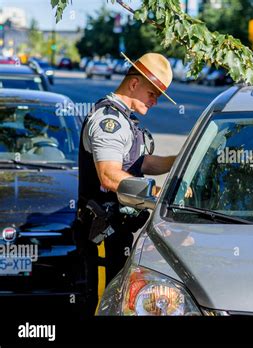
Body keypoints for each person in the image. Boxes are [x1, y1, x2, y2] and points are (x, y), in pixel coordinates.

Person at [74, 52, 180, 315]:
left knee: (116, 300)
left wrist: (180, 161)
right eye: (152, 93)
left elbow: (140, 163)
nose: (154, 101)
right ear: (134, 84)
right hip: (100, 234)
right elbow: (109, 175)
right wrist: (158, 192)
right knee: (100, 302)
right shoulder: (109, 121)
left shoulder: (126, 121)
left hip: (117, 231)